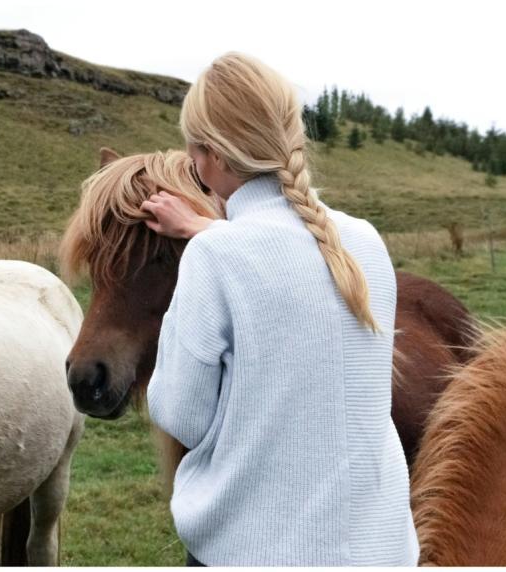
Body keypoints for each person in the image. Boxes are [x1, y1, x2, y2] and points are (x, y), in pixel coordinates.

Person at [140, 52, 419, 566]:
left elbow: (182, 415)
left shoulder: (214, 257)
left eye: (194, 148)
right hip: (382, 549)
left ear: (213, 157)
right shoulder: (366, 242)